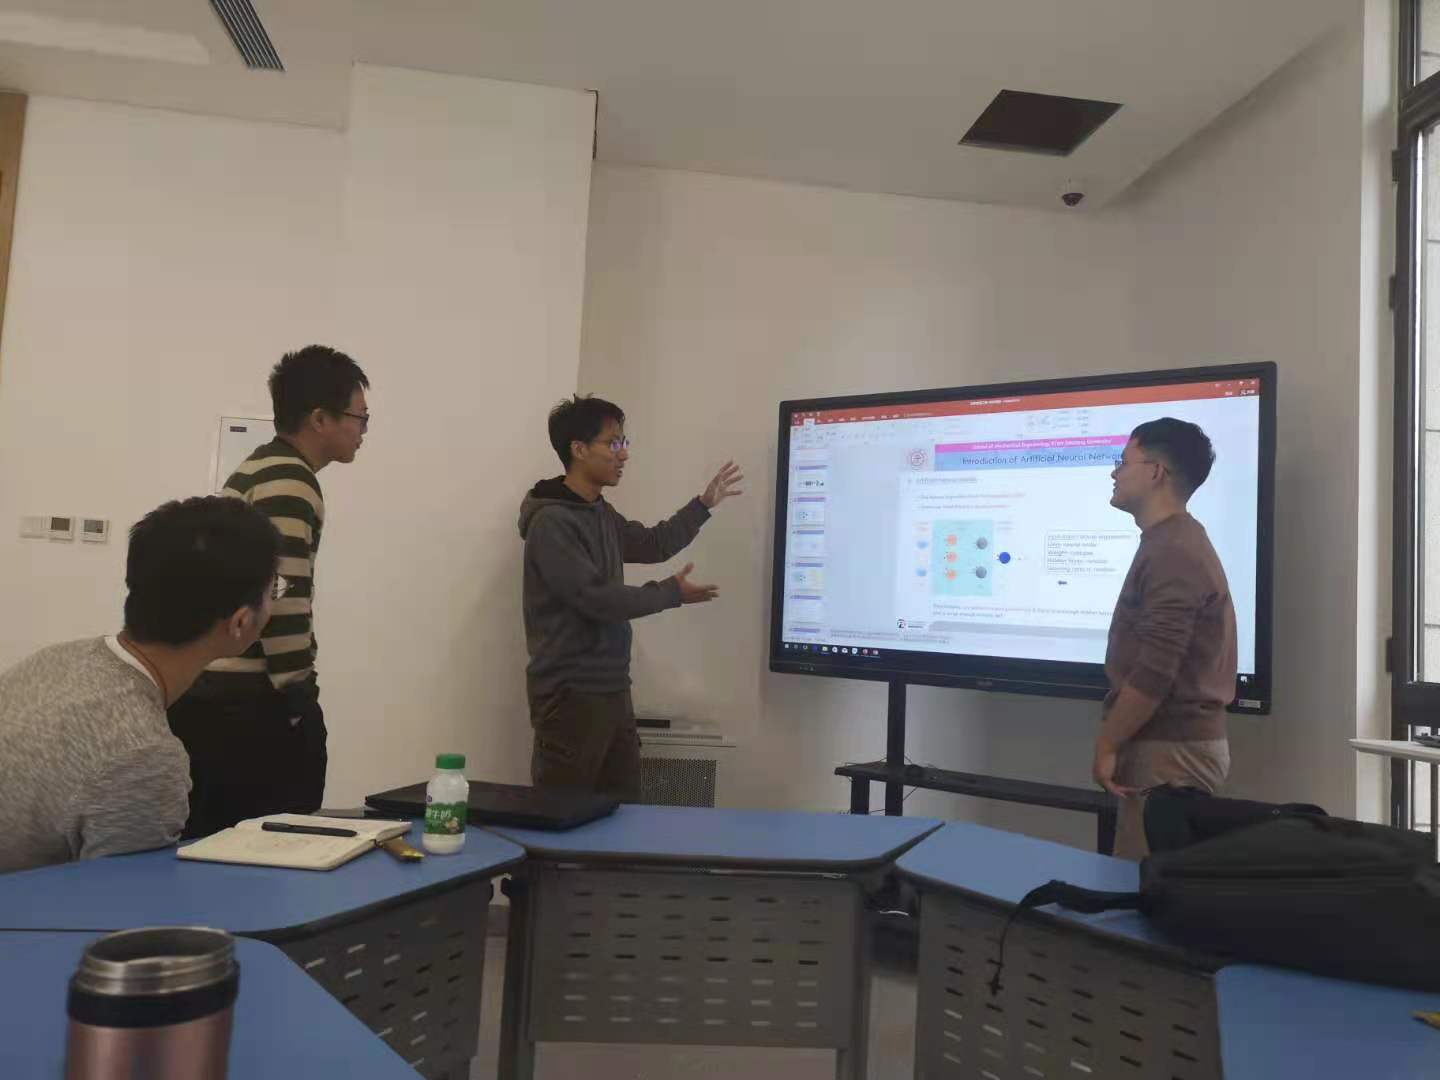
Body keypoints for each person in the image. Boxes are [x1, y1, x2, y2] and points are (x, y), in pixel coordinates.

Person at [0, 497, 281, 873]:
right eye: (274, 590)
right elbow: (119, 901)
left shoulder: (55, 659)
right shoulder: (143, 758)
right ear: (240, 622)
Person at [167, 344, 369, 837]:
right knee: (271, 848)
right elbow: (282, 593)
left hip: (215, 695)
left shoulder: (261, 466)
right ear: (319, 418)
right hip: (248, 705)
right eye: (359, 418)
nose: (364, 430)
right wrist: (299, 698)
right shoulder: (291, 481)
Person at [519, 394, 743, 799]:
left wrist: (703, 505)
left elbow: (653, 544)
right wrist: (670, 593)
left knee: (623, 814)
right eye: (613, 443)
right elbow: (599, 599)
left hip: (612, 690)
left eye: (625, 442)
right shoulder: (552, 523)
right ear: (579, 449)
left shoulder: (600, 513)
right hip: (569, 699)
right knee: (563, 816)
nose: (624, 454)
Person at [1093, 417, 1238, 860]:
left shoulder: (1174, 550)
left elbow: (1155, 672)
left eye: (1123, 462)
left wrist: (1107, 744)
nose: (1114, 473)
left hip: (1170, 755)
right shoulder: (1168, 540)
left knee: (1146, 888)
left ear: (1156, 472)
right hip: (1164, 747)